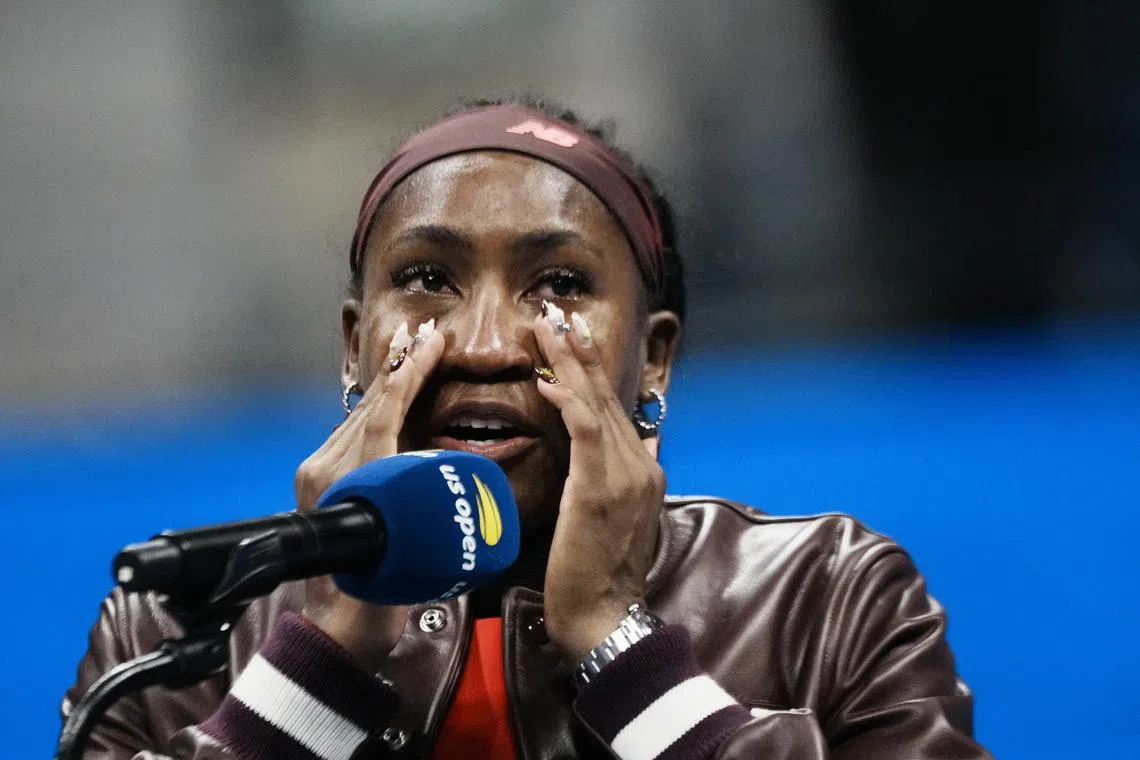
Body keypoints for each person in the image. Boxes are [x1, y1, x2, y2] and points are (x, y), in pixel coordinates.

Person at [65, 98, 992, 760]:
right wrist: (317, 668)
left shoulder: (828, 600)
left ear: (654, 356)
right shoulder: (175, 628)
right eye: (427, 278)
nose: (483, 344)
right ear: (356, 345)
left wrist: (618, 647)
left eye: (560, 285)